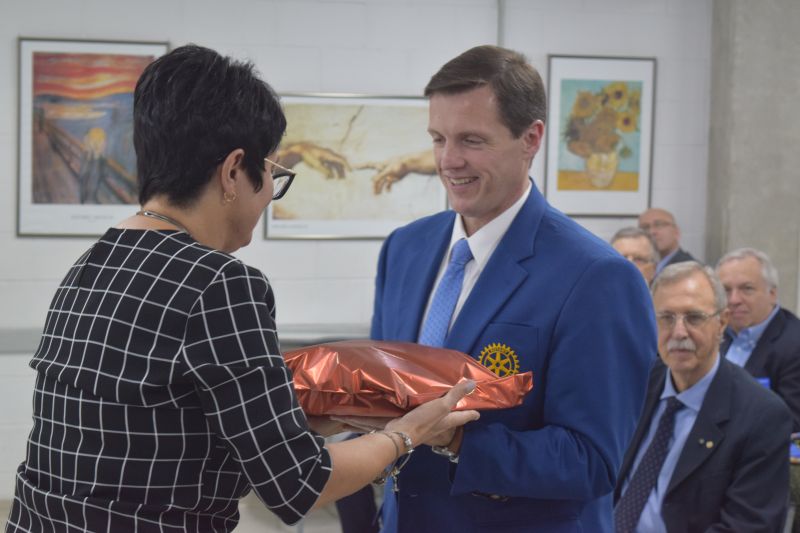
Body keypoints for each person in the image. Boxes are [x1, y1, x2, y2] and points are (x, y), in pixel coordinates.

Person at [5, 44, 480, 533]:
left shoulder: (94, 262)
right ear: (234, 171)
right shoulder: (220, 282)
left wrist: (307, 422)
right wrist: (407, 434)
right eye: (272, 173)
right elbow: (300, 485)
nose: (270, 193)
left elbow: (159, 434)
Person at [368, 44, 656, 532]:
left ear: (531, 139)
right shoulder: (404, 249)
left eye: (472, 140)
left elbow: (591, 459)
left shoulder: (597, 277)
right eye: (438, 138)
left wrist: (454, 439)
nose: (448, 160)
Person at [614, 262, 791, 532]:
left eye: (694, 317)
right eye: (666, 317)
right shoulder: (637, 383)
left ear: (722, 322)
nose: (679, 332)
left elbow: (748, 526)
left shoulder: (762, 416)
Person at [716, 247, 800, 431]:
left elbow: (792, 423)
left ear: (772, 294)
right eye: (726, 290)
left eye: (747, 289)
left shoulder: (794, 345)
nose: (734, 300)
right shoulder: (715, 332)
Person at [638, 208, 696, 274]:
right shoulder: (637, 265)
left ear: (676, 232)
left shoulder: (690, 269)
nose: (651, 231)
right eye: (645, 227)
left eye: (658, 225)